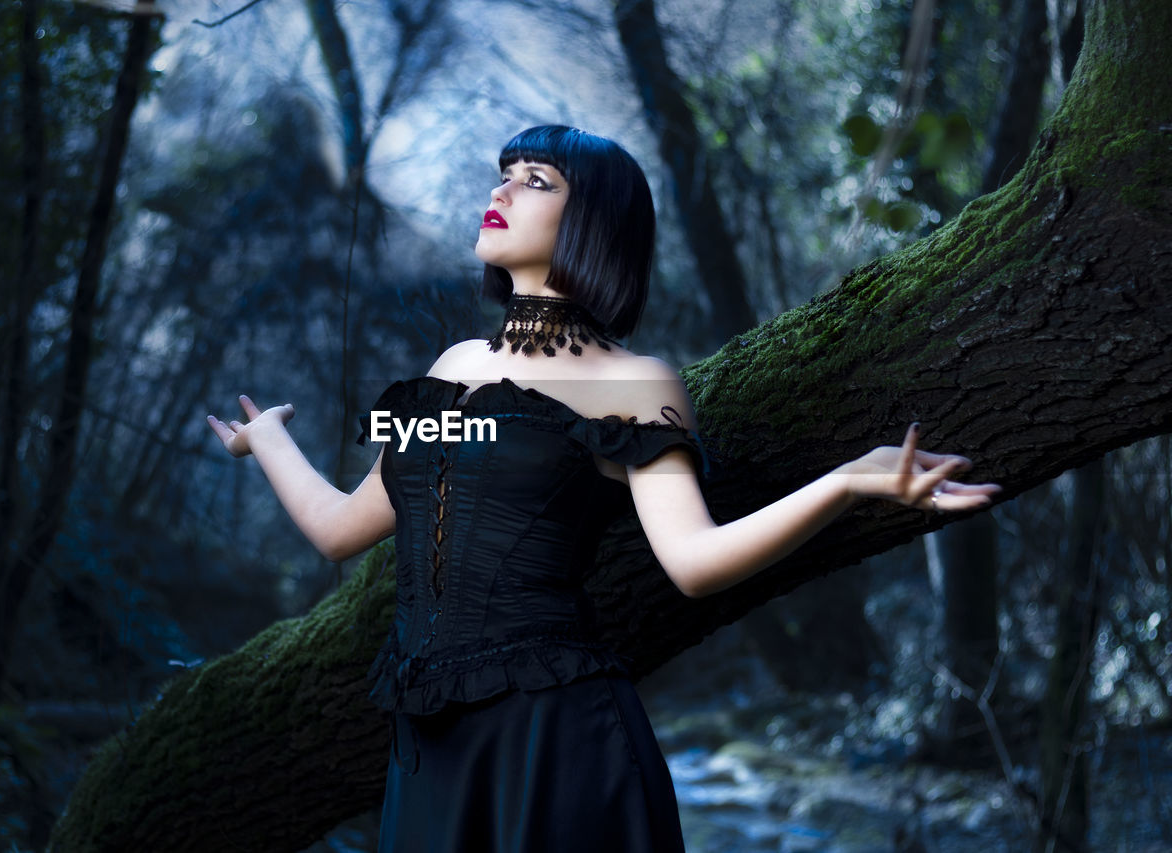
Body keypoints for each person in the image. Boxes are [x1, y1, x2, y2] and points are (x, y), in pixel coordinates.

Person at [207, 125, 1001, 853]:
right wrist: (269, 440)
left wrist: (846, 482)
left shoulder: (629, 381)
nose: (501, 193)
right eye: (503, 175)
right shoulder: (451, 371)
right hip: (429, 746)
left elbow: (692, 559)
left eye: (535, 180)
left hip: (555, 741)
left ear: (593, 219)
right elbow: (342, 526)